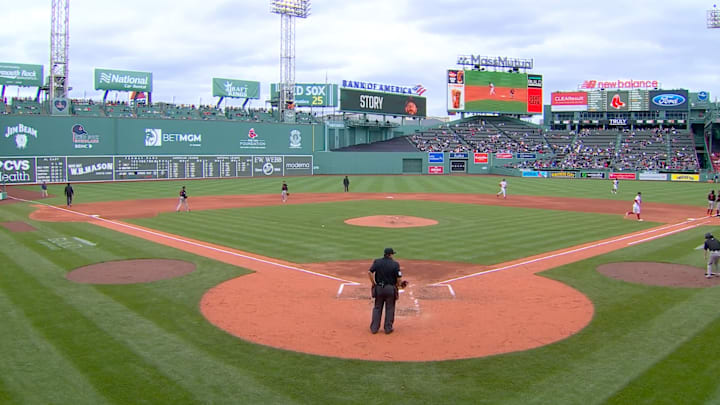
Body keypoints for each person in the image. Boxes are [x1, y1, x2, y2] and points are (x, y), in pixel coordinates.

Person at [368, 247, 403, 334]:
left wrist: (373, 283)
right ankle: (388, 329)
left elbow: (369, 272)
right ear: (390, 254)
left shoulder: (377, 262)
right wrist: (398, 286)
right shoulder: (395, 264)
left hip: (379, 288)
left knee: (377, 308)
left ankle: (374, 328)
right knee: (390, 308)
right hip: (390, 289)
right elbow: (399, 278)